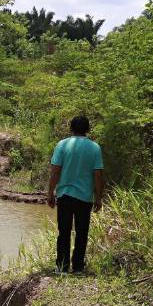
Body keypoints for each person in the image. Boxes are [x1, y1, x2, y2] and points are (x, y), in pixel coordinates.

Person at [47, 115, 104, 274]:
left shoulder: (62, 145)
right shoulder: (94, 148)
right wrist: (98, 197)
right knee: (82, 233)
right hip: (85, 198)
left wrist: (50, 193)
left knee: (63, 232)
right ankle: (78, 267)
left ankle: (62, 267)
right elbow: (98, 174)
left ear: (71, 128)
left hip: (65, 195)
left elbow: (55, 171)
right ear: (87, 129)